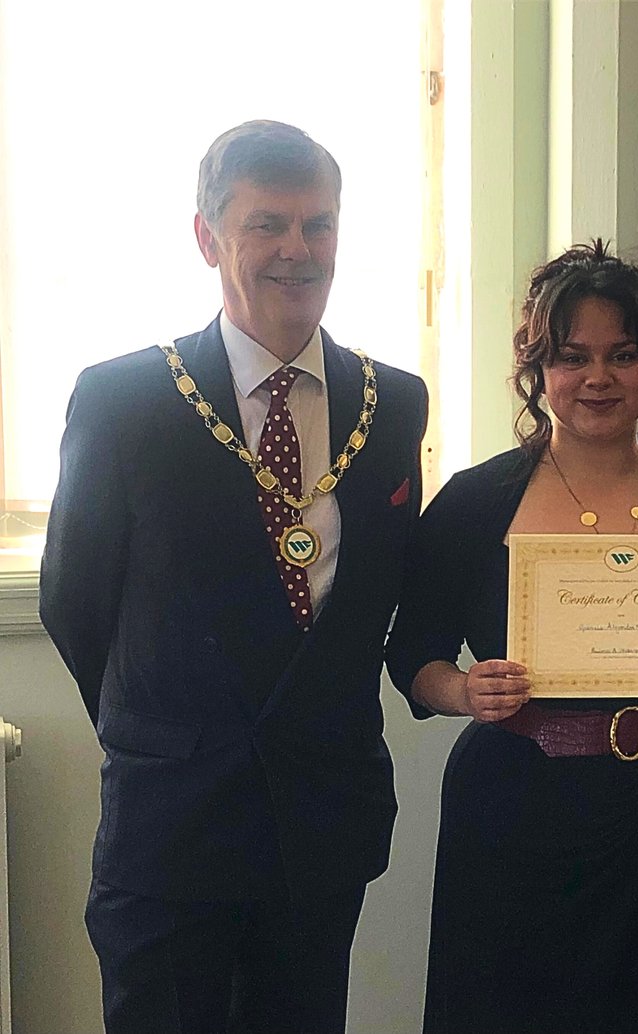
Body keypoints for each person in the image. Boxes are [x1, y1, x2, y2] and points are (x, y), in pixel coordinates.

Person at [39, 120, 428, 1033]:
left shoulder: (394, 400)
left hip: (321, 826)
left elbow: (380, 593)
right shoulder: (123, 399)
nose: (298, 249)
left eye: (318, 224)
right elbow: (74, 601)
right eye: (267, 225)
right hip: (172, 826)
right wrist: (168, 730)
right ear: (209, 238)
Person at [386, 241, 638, 1034]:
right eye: (573, 357)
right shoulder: (472, 503)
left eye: (622, 355)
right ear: (539, 371)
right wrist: (463, 690)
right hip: (518, 812)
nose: (598, 378)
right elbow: (410, 654)